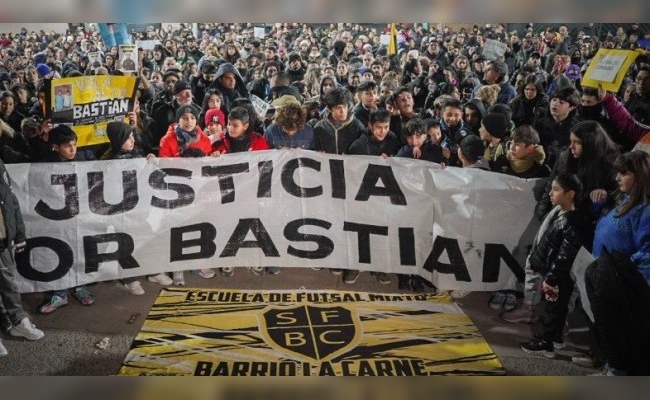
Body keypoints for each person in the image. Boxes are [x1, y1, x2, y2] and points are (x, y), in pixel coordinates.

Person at [585, 151, 650, 375]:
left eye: (624, 173)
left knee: (619, 330)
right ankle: (608, 364)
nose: (617, 178)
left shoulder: (646, 210)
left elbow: (648, 251)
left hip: (622, 282)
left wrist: (624, 271)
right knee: (604, 324)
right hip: (605, 273)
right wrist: (599, 203)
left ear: (641, 176)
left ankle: (618, 371)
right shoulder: (622, 198)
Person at [520, 173, 591, 358]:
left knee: (553, 309)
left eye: (556, 189)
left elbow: (564, 256)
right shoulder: (560, 213)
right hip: (554, 273)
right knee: (556, 308)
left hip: (558, 276)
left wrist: (551, 278)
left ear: (570, 194)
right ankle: (556, 337)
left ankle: (546, 343)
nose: (550, 193)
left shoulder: (572, 221)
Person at [38, 125, 96, 313]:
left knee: (79, 250)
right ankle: (60, 293)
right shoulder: (44, 164)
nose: (73, 150)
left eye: (74, 145)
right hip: (56, 219)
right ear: (55, 146)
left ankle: (79, 287)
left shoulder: (83, 158)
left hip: (79, 216)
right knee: (59, 252)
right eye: (67, 146)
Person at [212, 106, 270, 277]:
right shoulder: (218, 141)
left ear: (245, 126)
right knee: (228, 225)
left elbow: (268, 164)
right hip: (227, 192)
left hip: (251, 192)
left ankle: (254, 258)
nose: (230, 128)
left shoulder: (259, 142)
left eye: (235, 125)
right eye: (229, 124)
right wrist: (212, 156)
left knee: (252, 225)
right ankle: (228, 259)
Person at [0, 159, 44, 357]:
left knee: (9, 284)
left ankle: (18, 321)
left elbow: (10, 200)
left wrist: (18, 233)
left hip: (2, 239)